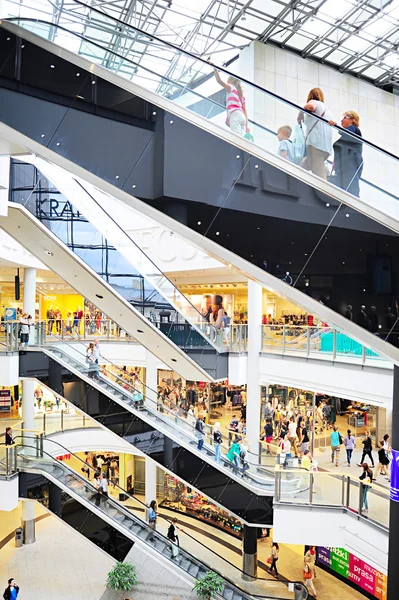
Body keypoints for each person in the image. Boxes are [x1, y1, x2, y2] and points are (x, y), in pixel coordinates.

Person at [298, 87, 332, 180]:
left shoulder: (314, 102)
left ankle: (326, 193)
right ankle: (292, 180)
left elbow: (310, 107)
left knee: (319, 177)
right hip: (325, 147)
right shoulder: (327, 110)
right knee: (301, 170)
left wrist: (301, 113)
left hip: (315, 144)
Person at [328, 110, 363, 197]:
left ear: (352, 120)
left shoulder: (354, 129)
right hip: (346, 166)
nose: (342, 120)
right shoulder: (348, 137)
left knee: (350, 187)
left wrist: (336, 126)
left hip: (350, 165)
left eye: (344, 118)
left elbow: (347, 132)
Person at [214, 70, 249, 137]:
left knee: (236, 139)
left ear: (230, 80)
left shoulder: (231, 88)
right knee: (241, 140)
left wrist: (215, 69)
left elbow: (219, 80)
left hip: (235, 115)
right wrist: (247, 126)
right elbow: (245, 111)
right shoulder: (241, 95)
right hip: (242, 117)